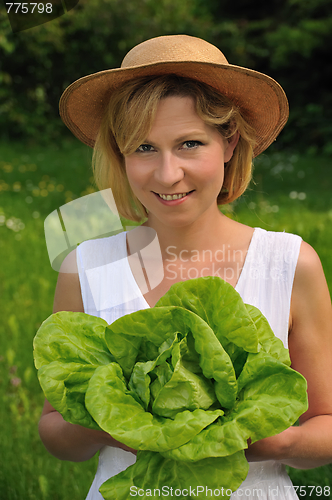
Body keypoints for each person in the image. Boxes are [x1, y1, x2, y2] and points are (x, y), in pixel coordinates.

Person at [38, 35, 332, 499]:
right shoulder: (85, 266)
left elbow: (326, 424)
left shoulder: (289, 263)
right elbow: (55, 428)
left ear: (229, 142)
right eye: (143, 148)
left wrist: (261, 440)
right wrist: (112, 426)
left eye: (190, 143)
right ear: (120, 154)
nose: (167, 174)